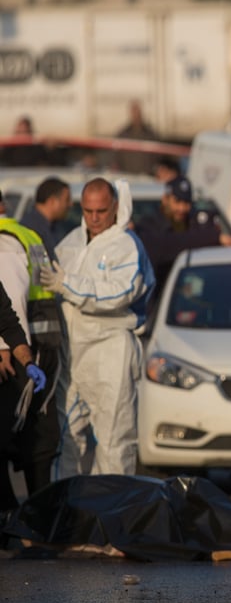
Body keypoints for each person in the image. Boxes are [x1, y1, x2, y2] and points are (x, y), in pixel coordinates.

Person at [39, 178, 155, 477]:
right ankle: (69, 512)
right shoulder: (72, 241)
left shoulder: (126, 246)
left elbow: (119, 293)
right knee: (66, 440)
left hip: (110, 352)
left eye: (101, 211)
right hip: (73, 354)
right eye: (88, 210)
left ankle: (114, 515)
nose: (94, 218)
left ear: (114, 206)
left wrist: (67, 284)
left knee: (114, 441)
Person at [0, 191, 59, 506]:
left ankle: (21, 523)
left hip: (26, 356)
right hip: (42, 348)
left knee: (28, 441)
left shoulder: (5, 241)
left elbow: (9, 309)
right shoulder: (27, 235)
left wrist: (11, 351)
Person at [135, 176, 231, 321]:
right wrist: (214, 237)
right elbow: (167, 246)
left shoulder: (196, 226)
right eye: (178, 202)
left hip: (199, 308)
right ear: (165, 199)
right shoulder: (148, 227)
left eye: (186, 203)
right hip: (158, 310)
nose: (182, 208)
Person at [19, 177, 72, 256]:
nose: (70, 204)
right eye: (67, 200)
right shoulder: (31, 230)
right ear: (52, 201)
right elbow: (40, 265)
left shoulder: (55, 226)